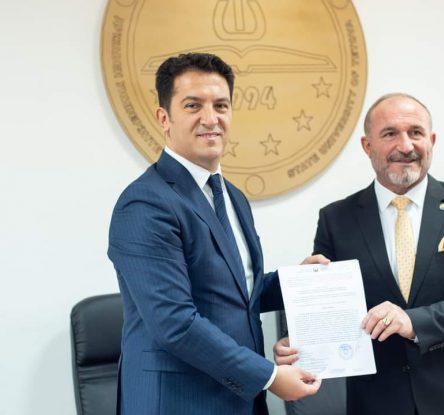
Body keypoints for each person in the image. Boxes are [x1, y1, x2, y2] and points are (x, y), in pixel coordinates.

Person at [108, 52, 326, 415]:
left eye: (221, 105)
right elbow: (174, 323)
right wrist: (270, 377)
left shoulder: (232, 196)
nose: (210, 118)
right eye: (193, 105)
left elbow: (235, 292)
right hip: (178, 403)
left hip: (238, 399)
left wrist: (295, 283)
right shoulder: (145, 203)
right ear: (164, 117)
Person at [274, 93, 444, 414]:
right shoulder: (336, 219)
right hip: (377, 399)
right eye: (390, 134)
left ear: (431, 140)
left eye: (416, 132)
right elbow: (330, 308)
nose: (406, 145)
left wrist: (412, 321)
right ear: (367, 146)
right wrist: (301, 344)